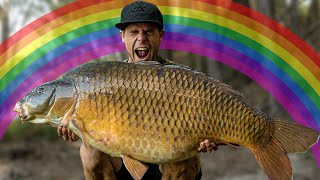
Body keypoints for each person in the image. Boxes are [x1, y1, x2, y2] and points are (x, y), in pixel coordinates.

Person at [58, 1, 217, 179]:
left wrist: (207, 137)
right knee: (89, 152)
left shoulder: (179, 78)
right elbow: (93, 125)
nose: (141, 38)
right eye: (134, 32)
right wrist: (76, 127)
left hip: (167, 161)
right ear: (122, 36)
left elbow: (204, 119)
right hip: (122, 161)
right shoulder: (107, 80)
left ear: (160, 35)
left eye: (148, 31)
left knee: (185, 157)